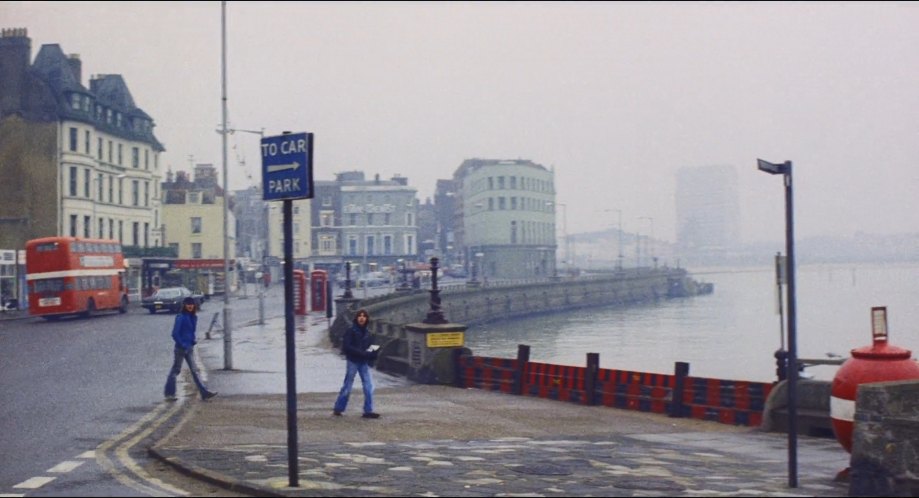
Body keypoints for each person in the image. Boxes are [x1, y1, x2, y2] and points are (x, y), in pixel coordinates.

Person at [164, 297, 218, 401]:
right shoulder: (180, 317)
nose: (190, 306)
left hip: (189, 348)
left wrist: (193, 340)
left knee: (194, 370)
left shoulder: (193, 317)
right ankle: (169, 393)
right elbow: (175, 334)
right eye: (188, 304)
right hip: (180, 349)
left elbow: (191, 332)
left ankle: (204, 392)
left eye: (192, 304)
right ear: (184, 305)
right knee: (176, 370)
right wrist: (182, 344)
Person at [333, 309, 380, 418]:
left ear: (367, 319)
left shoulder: (368, 333)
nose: (362, 318)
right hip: (353, 361)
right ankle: (339, 408)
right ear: (356, 318)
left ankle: (368, 410)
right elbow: (347, 346)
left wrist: (372, 354)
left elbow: (372, 346)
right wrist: (362, 353)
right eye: (360, 316)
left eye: (364, 316)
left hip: (363, 362)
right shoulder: (350, 331)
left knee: (369, 386)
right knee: (348, 386)